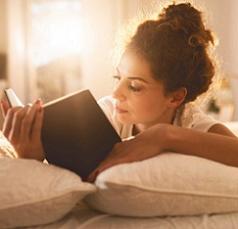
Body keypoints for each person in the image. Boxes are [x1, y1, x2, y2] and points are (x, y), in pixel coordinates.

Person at [1, 3, 238, 182]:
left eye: (134, 86)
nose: (116, 93)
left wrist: (164, 136)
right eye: (118, 78)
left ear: (175, 97)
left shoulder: (192, 123)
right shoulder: (106, 115)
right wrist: (31, 158)